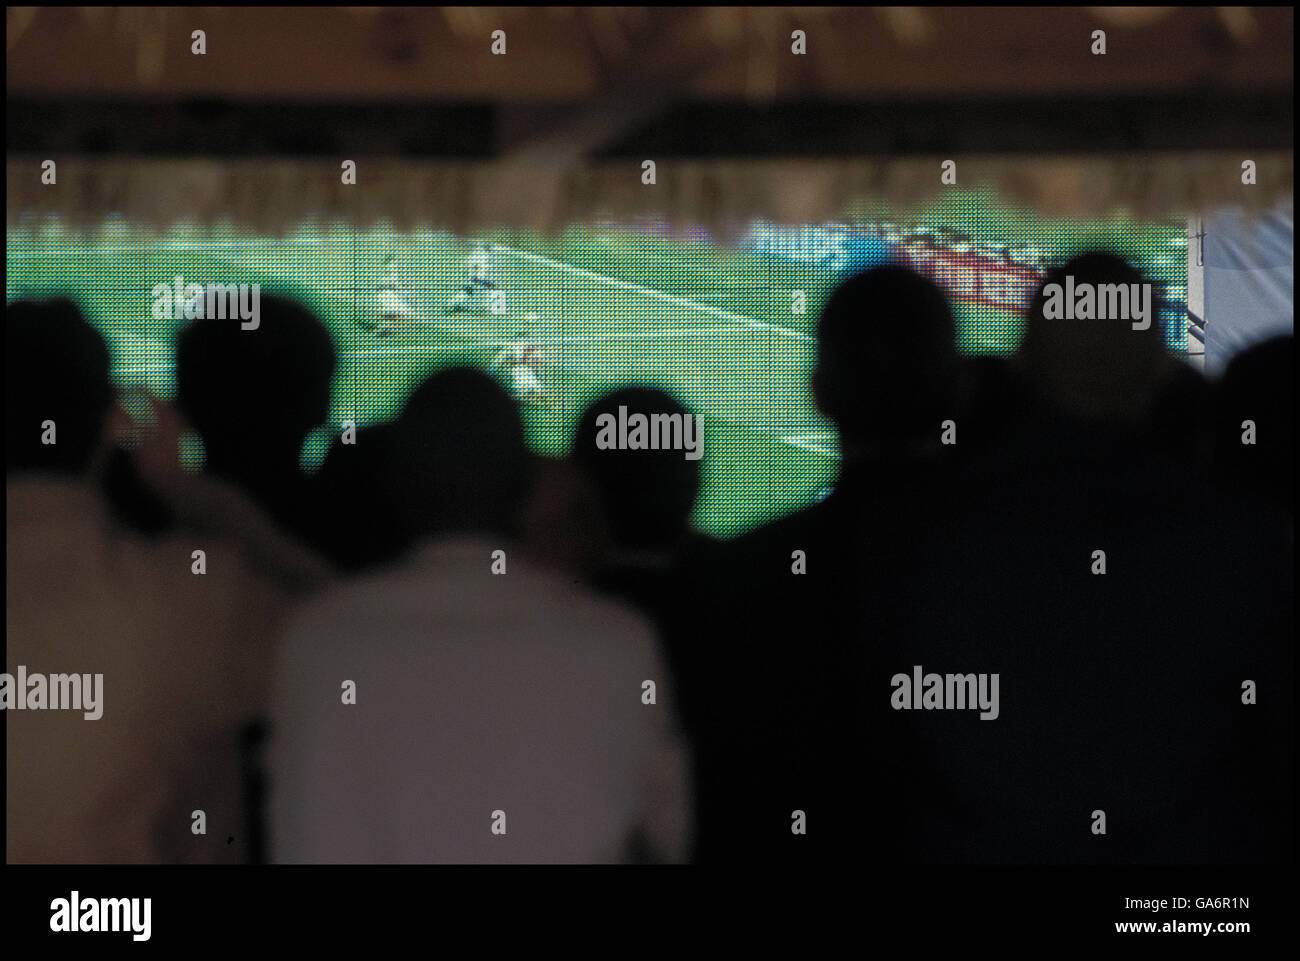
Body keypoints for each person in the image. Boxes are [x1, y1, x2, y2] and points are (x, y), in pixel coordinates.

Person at [269, 367, 691, 863]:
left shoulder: (318, 636)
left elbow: (295, 833)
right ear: (526, 487)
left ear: (398, 485)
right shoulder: (616, 643)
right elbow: (665, 837)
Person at [6, 298, 293, 863]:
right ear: (115, 424)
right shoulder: (184, 599)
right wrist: (198, 500)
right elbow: (353, 638)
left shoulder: (180, 597)